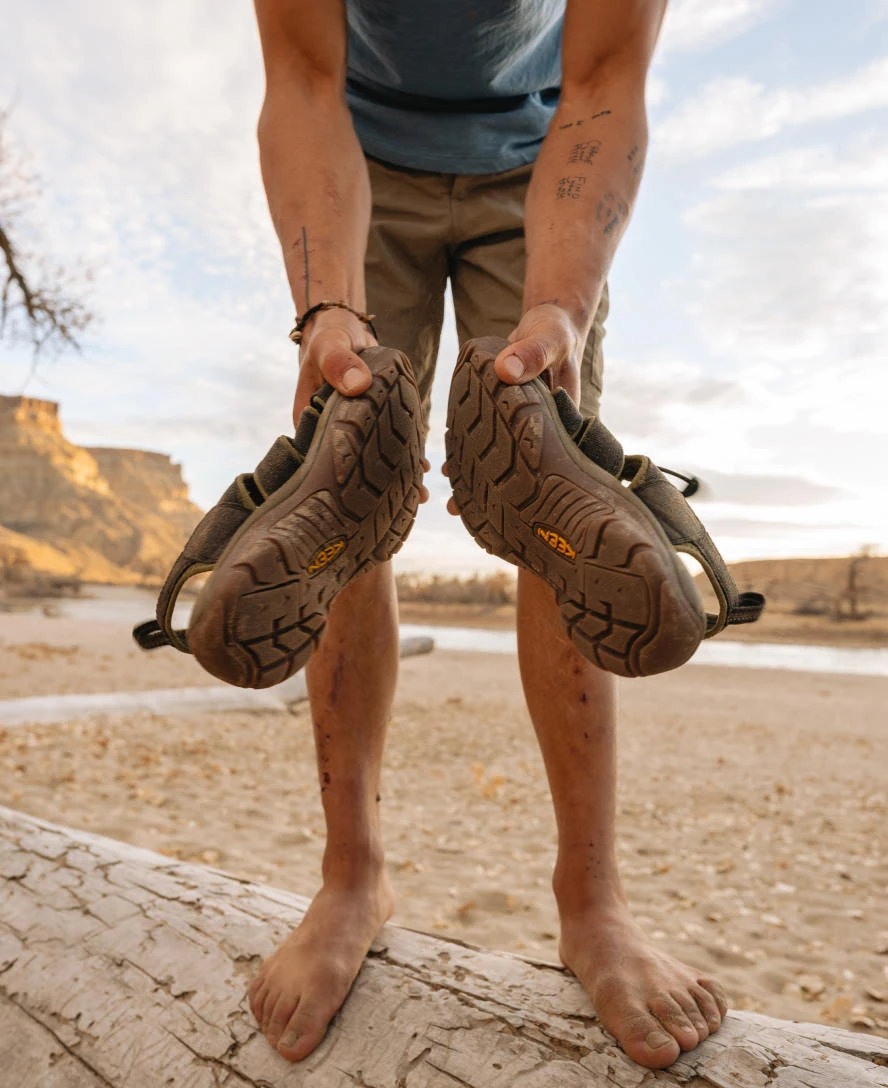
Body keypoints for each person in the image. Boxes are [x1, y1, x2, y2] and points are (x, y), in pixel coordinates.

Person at [242, 0, 730, 1071]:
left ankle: (592, 902)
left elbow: (603, 78)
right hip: (359, 158)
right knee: (347, 481)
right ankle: (351, 876)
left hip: (542, 156)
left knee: (554, 486)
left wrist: (563, 308)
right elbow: (304, 81)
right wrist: (326, 312)